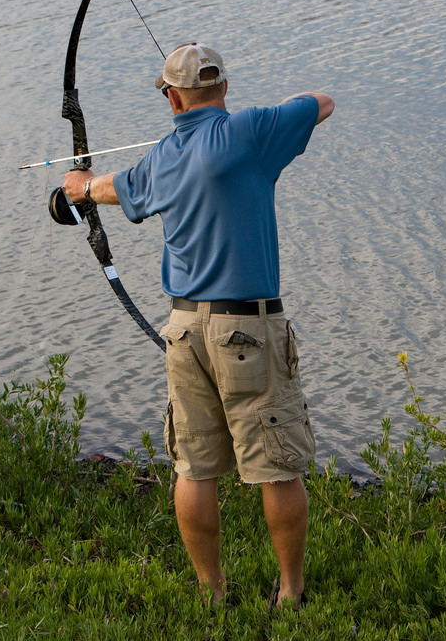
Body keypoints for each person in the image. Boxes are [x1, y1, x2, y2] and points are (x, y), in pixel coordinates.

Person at [62, 42, 334, 609]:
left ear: (172, 97)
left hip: (183, 330)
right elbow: (321, 102)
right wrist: (258, 117)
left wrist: (79, 187)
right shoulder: (253, 133)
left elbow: (110, 189)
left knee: (194, 467)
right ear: (226, 89)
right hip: (249, 332)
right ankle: (290, 593)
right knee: (277, 467)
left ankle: (212, 595)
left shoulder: (159, 159)